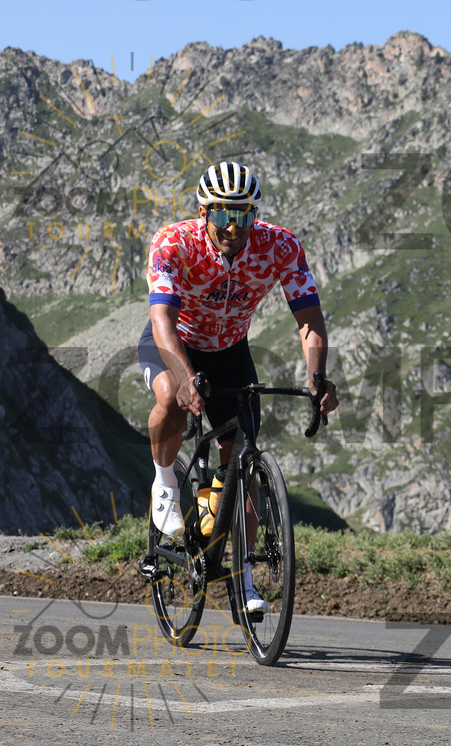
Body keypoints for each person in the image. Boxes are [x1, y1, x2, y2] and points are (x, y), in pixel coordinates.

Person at [141, 161, 338, 613]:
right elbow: (161, 319)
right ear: (203, 211)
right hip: (174, 342)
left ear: (255, 213)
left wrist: (317, 377)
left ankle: (243, 582)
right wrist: (186, 378)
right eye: (222, 214)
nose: (233, 226)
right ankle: (165, 483)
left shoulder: (280, 246)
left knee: (244, 461)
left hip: (230, 351)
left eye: (243, 214)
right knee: (170, 396)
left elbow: (309, 319)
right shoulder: (174, 242)